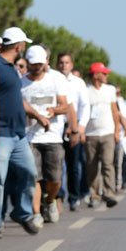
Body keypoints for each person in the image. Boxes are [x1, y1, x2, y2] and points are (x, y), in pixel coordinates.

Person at [0, 27, 42, 238]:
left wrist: (37, 115)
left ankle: (22, 212)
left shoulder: (12, 68)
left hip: (18, 135)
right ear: (19, 46)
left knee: (30, 173)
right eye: (23, 45)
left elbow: (17, 98)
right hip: (1, 133)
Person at [21, 45, 70, 224]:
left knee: (55, 178)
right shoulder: (21, 83)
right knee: (34, 177)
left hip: (52, 137)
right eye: (33, 64)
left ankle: (50, 201)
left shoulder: (55, 79)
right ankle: (36, 214)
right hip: (30, 137)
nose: (36, 67)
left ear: (45, 63)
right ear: (27, 62)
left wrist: (54, 110)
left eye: (39, 64)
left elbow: (65, 106)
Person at [85, 62, 121, 208]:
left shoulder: (110, 90)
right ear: (96, 75)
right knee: (92, 166)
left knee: (107, 163)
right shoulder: (86, 91)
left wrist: (117, 130)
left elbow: (115, 111)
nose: (106, 76)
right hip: (90, 134)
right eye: (103, 73)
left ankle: (109, 193)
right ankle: (94, 195)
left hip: (108, 133)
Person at [56, 52, 90, 211]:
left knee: (73, 165)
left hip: (74, 128)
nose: (64, 65)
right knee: (56, 165)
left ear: (72, 64)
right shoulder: (53, 79)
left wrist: (80, 127)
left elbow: (85, 106)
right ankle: (57, 196)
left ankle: (74, 197)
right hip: (56, 127)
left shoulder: (78, 83)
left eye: (67, 62)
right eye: (61, 62)